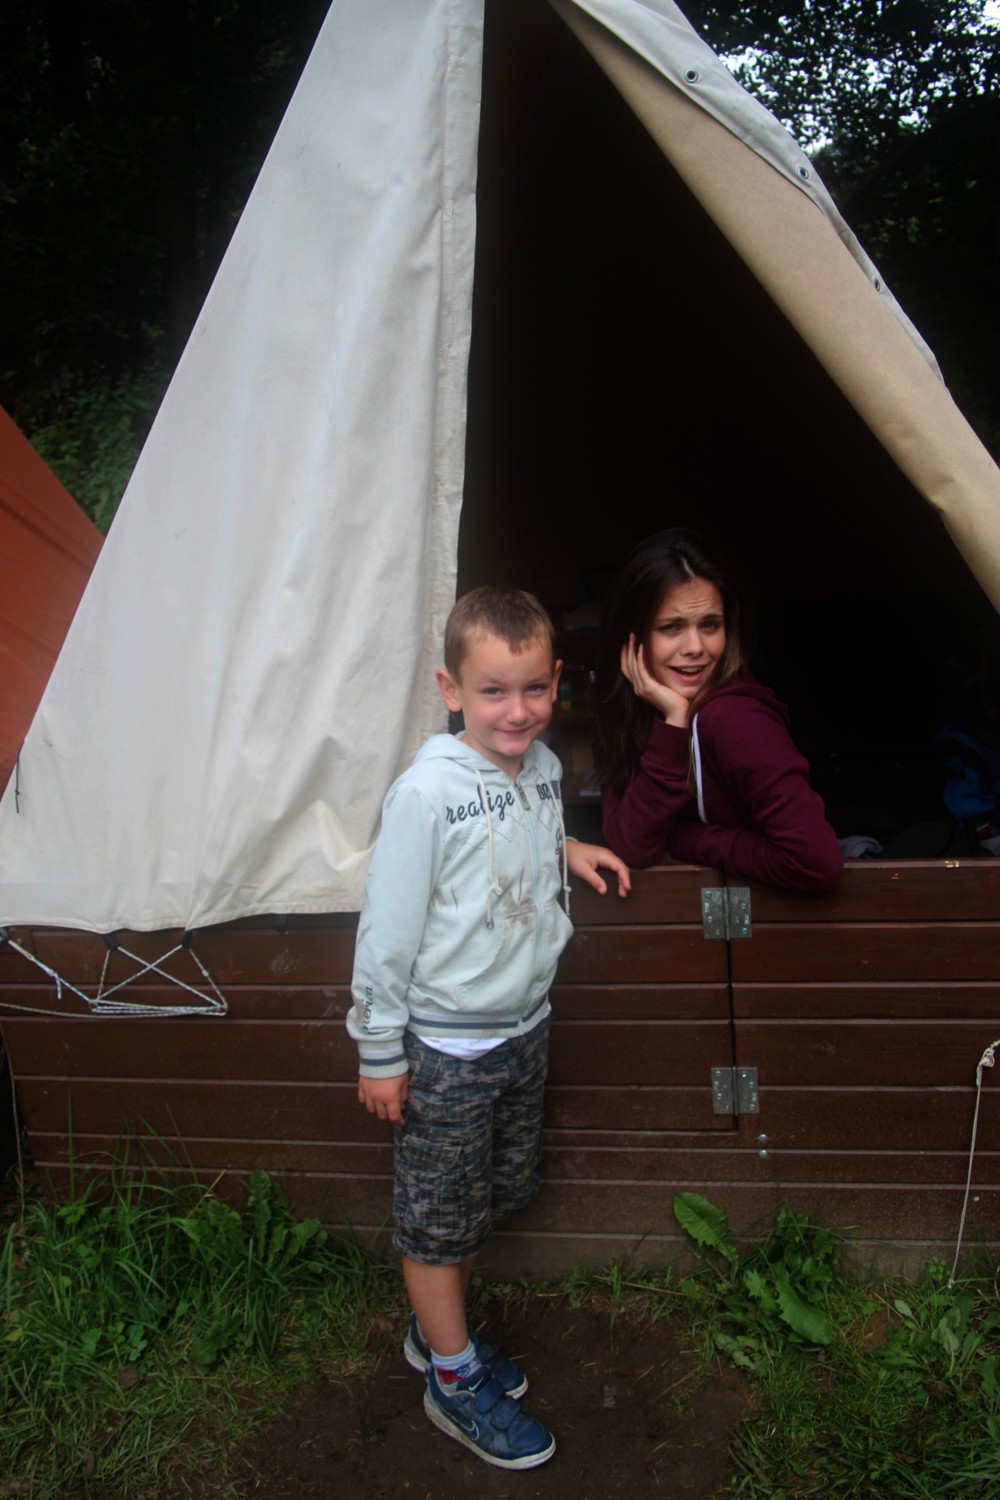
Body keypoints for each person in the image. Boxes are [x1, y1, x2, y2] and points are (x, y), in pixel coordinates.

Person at [348, 585, 630, 1471]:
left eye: (534, 689)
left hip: (522, 1028)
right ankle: (453, 1378)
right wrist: (380, 1052)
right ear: (452, 689)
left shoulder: (539, 768)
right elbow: (386, 932)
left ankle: (434, 1335)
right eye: (494, 691)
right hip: (445, 1048)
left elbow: (517, 837)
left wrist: (566, 847)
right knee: (438, 1222)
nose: (518, 711)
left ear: (557, 682)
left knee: (486, 1199)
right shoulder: (425, 794)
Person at [593, 529, 842, 892]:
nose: (695, 647)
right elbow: (633, 846)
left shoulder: (736, 719)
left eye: (709, 625)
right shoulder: (622, 715)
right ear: (632, 638)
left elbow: (815, 862)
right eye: (671, 627)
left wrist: (683, 839)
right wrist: (674, 723)